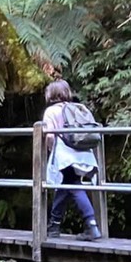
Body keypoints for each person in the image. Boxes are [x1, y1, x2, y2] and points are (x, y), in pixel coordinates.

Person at [42, 79, 101, 241]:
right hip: (82, 153)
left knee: (73, 186)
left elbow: (49, 135)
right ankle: (54, 225)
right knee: (65, 184)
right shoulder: (77, 108)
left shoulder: (51, 112)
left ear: (51, 94)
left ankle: (91, 225)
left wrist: (49, 150)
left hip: (65, 154)